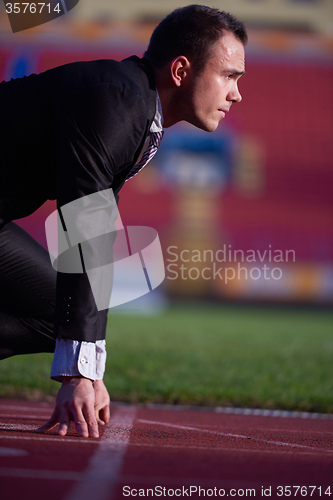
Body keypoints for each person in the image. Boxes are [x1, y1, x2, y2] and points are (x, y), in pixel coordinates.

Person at [0, 4, 247, 437]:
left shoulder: (139, 114)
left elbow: (98, 237)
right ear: (181, 70)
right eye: (229, 76)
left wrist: (91, 369)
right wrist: (78, 375)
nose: (237, 94)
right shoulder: (117, 100)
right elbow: (84, 228)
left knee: (54, 311)